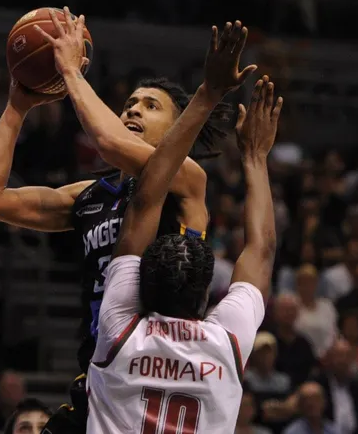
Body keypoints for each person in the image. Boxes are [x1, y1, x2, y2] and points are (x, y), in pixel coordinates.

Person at [0, 11, 235, 408]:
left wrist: (71, 72)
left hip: (158, 370)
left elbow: (107, 144)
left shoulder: (187, 177)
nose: (132, 110)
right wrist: (17, 108)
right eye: (129, 103)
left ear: (179, 129)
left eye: (150, 105)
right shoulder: (90, 196)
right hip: (100, 373)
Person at [86, 24, 276, 434]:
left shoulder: (120, 327)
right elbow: (261, 249)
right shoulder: (224, 342)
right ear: (208, 293)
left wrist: (208, 92)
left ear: (138, 285)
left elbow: (144, 203)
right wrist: (256, 158)